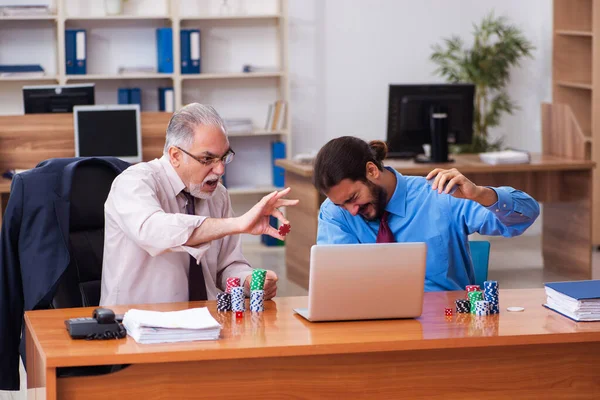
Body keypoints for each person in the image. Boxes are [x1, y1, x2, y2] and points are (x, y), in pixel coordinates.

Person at [100, 103, 298, 305]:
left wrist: (248, 281)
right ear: (176, 155)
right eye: (207, 159)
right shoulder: (133, 182)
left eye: (224, 157)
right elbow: (153, 231)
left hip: (206, 321)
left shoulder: (218, 195)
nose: (220, 169)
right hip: (137, 324)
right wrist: (237, 224)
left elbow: (226, 266)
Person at [313, 136, 540, 291]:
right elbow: (335, 285)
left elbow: (526, 215)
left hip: (445, 326)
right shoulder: (335, 214)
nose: (351, 212)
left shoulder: (440, 194)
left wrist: (481, 194)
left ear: (372, 171)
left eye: (353, 198)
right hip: (371, 329)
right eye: (342, 204)